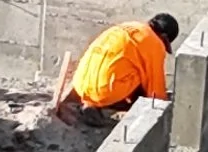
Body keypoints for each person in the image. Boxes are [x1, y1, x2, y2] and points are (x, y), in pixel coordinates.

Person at [51, 13, 180, 121]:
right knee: (143, 74)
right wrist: (161, 110)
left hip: (80, 85)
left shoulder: (126, 27)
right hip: (106, 91)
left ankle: (91, 104)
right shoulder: (155, 43)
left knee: (126, 65)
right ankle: (109, 104)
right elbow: (155, 87)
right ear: (164, 37)